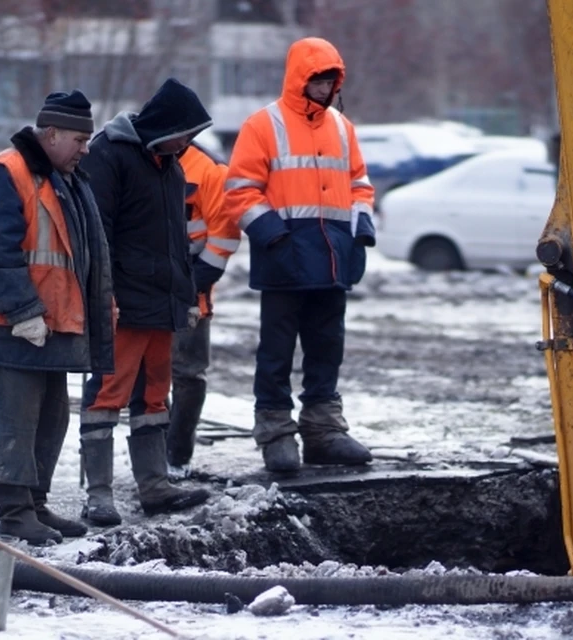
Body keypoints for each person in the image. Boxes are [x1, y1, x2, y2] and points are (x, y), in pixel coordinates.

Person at [0, 90, 115, 545]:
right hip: (9, 326)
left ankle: (34, 504)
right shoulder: (8, 174)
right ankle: (15, 511)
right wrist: (23, 310)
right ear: (52, 133)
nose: (86, 149)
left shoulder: (63, 178)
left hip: (48, 326)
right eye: (80, 140)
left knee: (49, 418)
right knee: (13, 419)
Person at [221, 37, 376, 472]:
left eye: (331, 82)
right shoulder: (262, 125)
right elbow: (239, 191)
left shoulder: (343, 129)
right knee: (276, 352)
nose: (326, 90)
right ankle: (275, 432)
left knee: (327, 347)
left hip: (331, 257)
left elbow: (360, 185)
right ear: (300, 79)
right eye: (319, 81)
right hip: (285, 259)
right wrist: (274, 236)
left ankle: (323, 431)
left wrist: (359, 231)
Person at [78, 78, 215, 526]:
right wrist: (105, 296)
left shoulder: (171, 167)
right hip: (123, 306)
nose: (188, 143)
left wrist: (187, 296)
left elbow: (177, 241)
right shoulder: (109, 156)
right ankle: (98, 493)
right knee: (105, 396)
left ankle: (154, 485)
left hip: (162, 306)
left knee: (155, 396)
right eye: (185, 134)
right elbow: (96, 235)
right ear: (164, 125)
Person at [128, 139, 240, 478]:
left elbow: (223, 240)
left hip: (192, 285)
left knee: (188, 373)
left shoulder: (210, 170)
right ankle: (155, 454)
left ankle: (177, 454)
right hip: (146, 283)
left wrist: (190, 288)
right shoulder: (139, 160)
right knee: (148, 374)